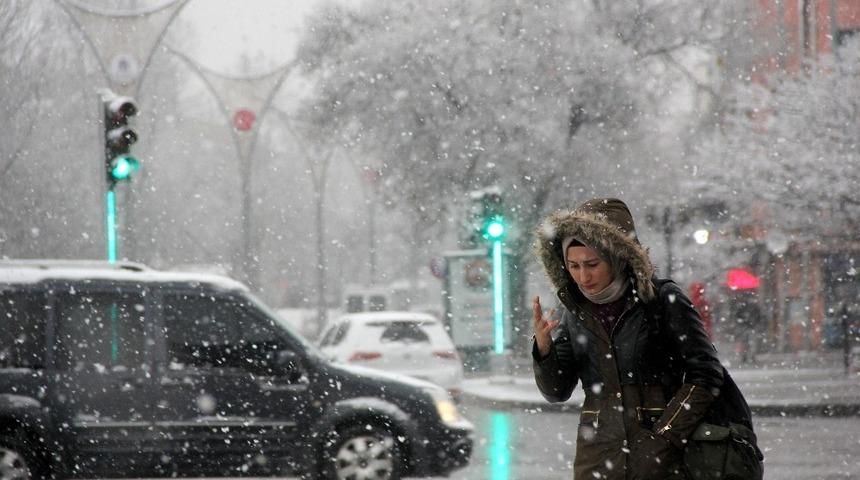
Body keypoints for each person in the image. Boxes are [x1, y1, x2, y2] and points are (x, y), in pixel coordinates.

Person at [532, 198, 756, 480]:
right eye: (573, 265)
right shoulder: (574, 311)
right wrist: (543, 348)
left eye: (592, 264)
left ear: (617, 256)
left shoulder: (661, 300)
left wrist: (665, 436)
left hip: (666, 455)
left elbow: (706, 374)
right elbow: (556, 391)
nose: (583, 276)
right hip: (598, 459)